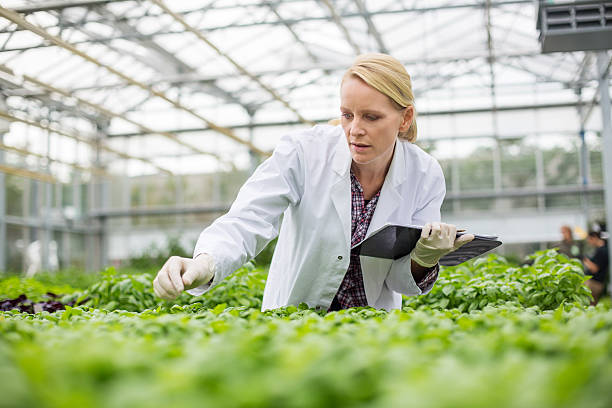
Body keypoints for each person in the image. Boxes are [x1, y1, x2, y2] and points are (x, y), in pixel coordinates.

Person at [153, 53, 473, 311]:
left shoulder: (425, 175)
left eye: (371, 117)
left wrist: (425, 259)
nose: (354, 129)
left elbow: (401, 282)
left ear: (404, 118)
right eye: (347, 115)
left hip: (373, 328)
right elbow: (249, 218)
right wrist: (204, 263)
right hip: (295, 319)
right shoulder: (304, 151)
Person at [583, 230, 609, 305]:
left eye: (589, 240)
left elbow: (595, 269)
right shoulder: (601, 249)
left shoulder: (602, 251)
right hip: (596, 283)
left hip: (595, 284)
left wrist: (586, 261)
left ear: (594, 238)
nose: (589, 242)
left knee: (590, 305)